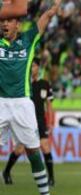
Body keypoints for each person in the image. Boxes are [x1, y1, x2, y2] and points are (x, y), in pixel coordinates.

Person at [0, 0, 62, 195]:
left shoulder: (28, 39)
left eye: (9, 21)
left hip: (23, 104)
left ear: (18, 24)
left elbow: (47, 16)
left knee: (34, 151)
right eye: (3, 21)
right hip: (0, 103)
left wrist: (55, 5)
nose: (5, 24)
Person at [2, 58, 56, 186]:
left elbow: (49, 105)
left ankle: (51, 178)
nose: (32, 69)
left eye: (35, 66)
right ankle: (6, 172)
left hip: (40, 121)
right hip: (25, 121)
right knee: (19, 149)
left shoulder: (45, 84)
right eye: (31, 66)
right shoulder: (23, 84)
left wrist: (51, 122)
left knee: (45, 147)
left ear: (39, 68)